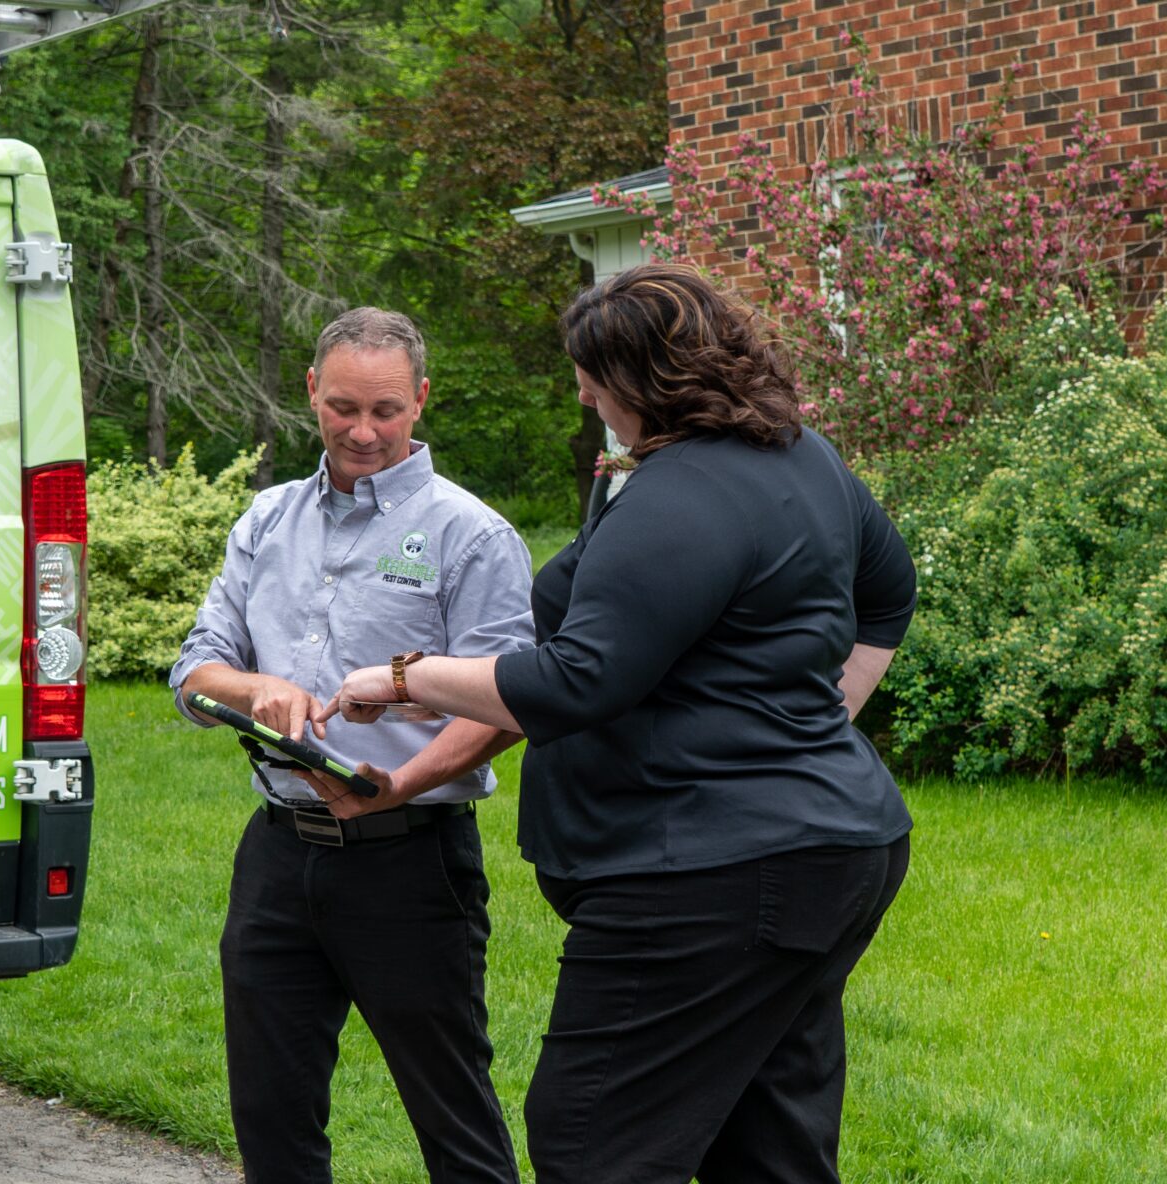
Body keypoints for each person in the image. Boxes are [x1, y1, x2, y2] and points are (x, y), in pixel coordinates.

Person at [317, 263, 918, 1184]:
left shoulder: (687, 495)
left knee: (593, 1140)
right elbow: (889, 588)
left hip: (704, 880)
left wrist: (401, 678)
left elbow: (573, 681)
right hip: (823, 854)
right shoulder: (796, 456)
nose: (583, 390)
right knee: (769, 1145)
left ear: (642, 378)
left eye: (593, 375)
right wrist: (820, 721)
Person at [170, 307, 534, 1184]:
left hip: (410, 863)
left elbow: (510, 705)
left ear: (421, 400)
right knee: (270, 1113)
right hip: (277, 855)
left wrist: (399, 783)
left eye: (385, 411)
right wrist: (258, 689)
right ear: (310, 393)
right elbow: (194, 674)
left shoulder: (472, 535)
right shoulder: (266, 520)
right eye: (342, 409)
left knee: (453, 1118)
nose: (362, 432)